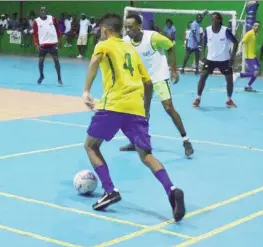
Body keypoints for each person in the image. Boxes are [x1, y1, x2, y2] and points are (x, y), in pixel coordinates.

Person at [81, 13, 185, 222]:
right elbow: (147, 82)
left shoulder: (104, 45)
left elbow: (94, 61)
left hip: (113, 105)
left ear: (106, 30)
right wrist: (144, 111)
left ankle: (110, 190)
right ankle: (171, 189)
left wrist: (86, 91)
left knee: (91, 146)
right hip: (136, 108)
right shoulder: (131, 49)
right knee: (146, 155)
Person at [120, 14, 193, 157]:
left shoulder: (152, 37)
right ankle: (139, 142)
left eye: (131, 27)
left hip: (159, 76)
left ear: (139, 26)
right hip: (144, 80)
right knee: (142, 113)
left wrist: (173, 69)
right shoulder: (126, 41)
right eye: (126, 27)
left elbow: (171, 47)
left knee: (168, 107)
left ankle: (186, 141)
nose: (128, 30)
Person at [192, 12, 238, 108]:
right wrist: (202, 56)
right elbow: (203, 43)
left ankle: (229, 100)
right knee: (203, 77)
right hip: (210, 60)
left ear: (220, 20)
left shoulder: (226, 31)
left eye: (216, 19)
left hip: (224, 60)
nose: (214, 21)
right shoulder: (207, 30)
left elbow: (235, 42)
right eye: (212, 19)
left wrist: (232, 57)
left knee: (229, 79)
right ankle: (197, 98)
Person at [33, 7, 62, 85]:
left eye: (44, 10)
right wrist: (36, 44)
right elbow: (35, 34)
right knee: (40, 62)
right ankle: (41, 75)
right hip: (43, 45)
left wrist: (60, 40)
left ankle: (59, 78)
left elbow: (58, 29)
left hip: (53, 44)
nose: (43, 12)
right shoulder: (36, 21)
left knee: (56, 61)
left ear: (47, 11)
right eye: (41, 10)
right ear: (39, 12)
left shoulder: (52, 19)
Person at [234, 21, 260, 92]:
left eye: (258, 26)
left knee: (257, 72)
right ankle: (238, 75)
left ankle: (248, 86)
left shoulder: (256, 34)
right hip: (249, 57)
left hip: (253, 56)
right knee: (254, 72)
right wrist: (239, 50)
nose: (257, 27)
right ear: (252, 26)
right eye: (255, 25)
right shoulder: (249, 33)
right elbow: (242, 42)